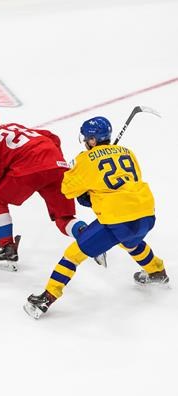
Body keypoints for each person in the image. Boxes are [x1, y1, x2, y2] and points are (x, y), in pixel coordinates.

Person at [23, 116, 169, 319]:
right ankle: (157, 271)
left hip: (117, 219)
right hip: (146, 213)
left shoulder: (85, 159)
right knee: (129, 242)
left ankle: (46, 299)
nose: (84, 141)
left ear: (92, 140)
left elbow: (67, 190)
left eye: (86, 138)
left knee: (72, 255)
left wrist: (76, 174)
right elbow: (127, 181)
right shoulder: (127, 152)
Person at [0, 107, 102, 271]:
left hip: (29, 169)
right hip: (57, 166)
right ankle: (89, 236)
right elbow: (52, 137)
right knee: (63, 218)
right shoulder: (13, 126)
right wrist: (54, 161)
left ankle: (7, 249)